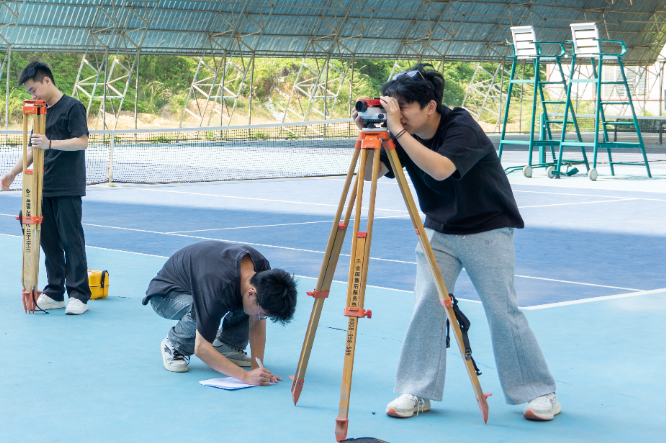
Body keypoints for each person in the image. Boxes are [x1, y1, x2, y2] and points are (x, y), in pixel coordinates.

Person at [353, 64, 559, 421]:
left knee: (502, 311)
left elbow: (441, 169)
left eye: (404, 107)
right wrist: (370, 133)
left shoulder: (461, 126)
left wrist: (397, 131)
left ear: (430, 106)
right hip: (439, 231)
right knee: (426, 307)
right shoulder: (401, 131)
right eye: (392, 106)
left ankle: (541, 392)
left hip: (487, 229)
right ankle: (418, 390)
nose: (397, 114)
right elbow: (370, 174)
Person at [1, 61, 91, 315]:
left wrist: (50, 143)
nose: (33, 96)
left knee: (71, 240)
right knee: (47, 240)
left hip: (67, 186)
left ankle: (79, 295)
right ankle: (55, 291)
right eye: (29, 92)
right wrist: (12, 173)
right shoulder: (40, 113)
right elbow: (33, 148)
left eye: (34, 90)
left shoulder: (72, 107)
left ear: (47, 81)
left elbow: (82, 142)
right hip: (42, 186)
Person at [143, 240, 298, 386]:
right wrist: (246, 377)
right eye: (262, 313)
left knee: (249, 307)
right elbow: (202, 348)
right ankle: (175, 344)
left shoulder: (262, 272)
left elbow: (257, 320)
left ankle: (227, 345)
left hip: (207, 285)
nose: (260, 317)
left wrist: (258, 369)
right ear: (251, 292)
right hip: (166, 295)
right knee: (201, 307)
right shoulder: (216, 286)